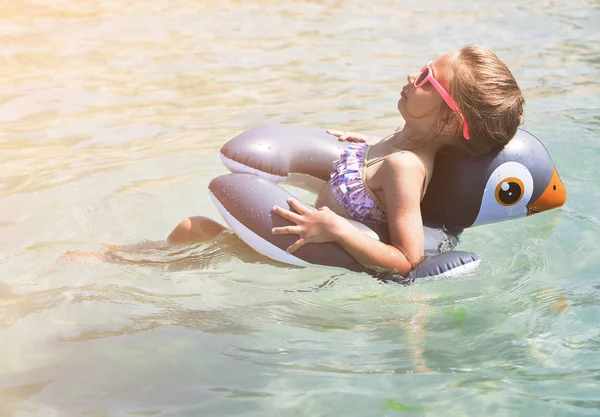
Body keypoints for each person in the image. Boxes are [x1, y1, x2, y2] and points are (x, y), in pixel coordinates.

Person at [165, 45, 526, 277]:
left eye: (427, 79)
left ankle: (119, 265)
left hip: (302, 256)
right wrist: (368, 146)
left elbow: (408, 260)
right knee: (193, 233)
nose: (411, 77)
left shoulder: (404, 169)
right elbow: (383, 164)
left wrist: (336, 229)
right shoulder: (401, 139)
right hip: (306, 235)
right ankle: (121, 260)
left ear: (449, 120)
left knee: (192, 229)